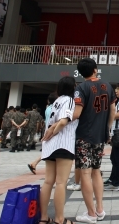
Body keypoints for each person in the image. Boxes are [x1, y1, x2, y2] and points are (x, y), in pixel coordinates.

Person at [73, 58, 114, 223]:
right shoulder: (108, 86)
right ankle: (100, 209)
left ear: (81, 73)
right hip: (100, 136)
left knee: (85, 172)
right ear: (95, 69)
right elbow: (112, 110)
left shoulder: (81, 88)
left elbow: (76, 113)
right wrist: (107, 129)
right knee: (96, 171)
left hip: (84, 135)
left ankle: (90, 213)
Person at [39, 76, 78, 224]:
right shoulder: (69, 100)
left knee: (48, 181)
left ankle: (43, 217)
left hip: (49, 146)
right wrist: (53, 132)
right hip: (63, 143)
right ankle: (60, 219)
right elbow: (63, 121)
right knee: (61, 183)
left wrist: (49, 133)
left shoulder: (56, 101)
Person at [29, 94, 58, 174]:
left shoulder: (48, 108)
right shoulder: (54, 108)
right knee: (50, 150)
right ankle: (34, 163)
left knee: (49, 150)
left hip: (47, 130)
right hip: (53, 131)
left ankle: (34, 163)